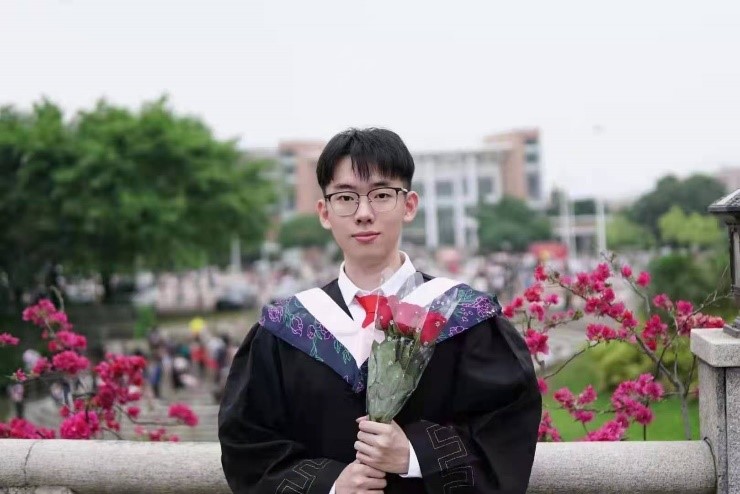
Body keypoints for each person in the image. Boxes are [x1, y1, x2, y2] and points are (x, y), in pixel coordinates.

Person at [218, 128, 541, 494]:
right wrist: (330, 485)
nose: (364, 213)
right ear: (324, 212)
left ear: (410, 205)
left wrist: (415, 455)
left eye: (382, 195)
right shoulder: (286, 330)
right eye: (345, 197)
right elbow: (249, 447)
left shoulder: (465, 318)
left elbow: (506, 433)